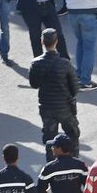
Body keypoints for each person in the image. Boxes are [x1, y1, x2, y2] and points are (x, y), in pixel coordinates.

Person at [29, 28, 79, 159]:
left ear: (42, 42)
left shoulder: (35, 63)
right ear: (56, 42)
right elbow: (75, 88)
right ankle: (74, 161)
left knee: (50, 138)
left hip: (46, 107)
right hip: (65, 108)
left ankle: (51, 164)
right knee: (72, 134)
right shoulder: (65, 64)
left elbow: (34, 84)